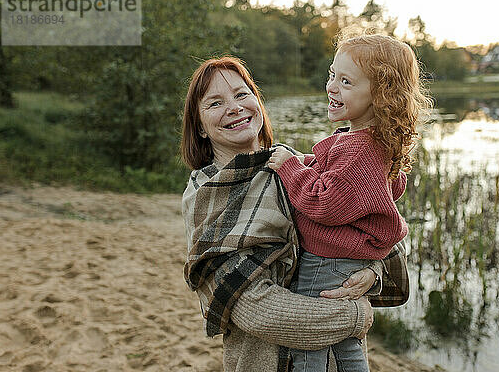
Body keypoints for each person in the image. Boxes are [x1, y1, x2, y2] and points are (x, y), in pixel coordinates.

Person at [180, 56, 410, 372]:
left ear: (257, 103)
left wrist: (372, 270)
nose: (234, 107)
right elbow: (253, 308)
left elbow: (383, 230)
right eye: (215, 103)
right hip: (266, 362)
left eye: (241, 94)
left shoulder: (293, 167)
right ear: (200, 127)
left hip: (335, 359)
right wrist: (354, 315)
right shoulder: (208, 193)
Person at [267, 34, 432, 372]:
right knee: (345, 340)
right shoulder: (376, 142)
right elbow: (384, 189)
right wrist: (312, 164)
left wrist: (288, 166)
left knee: (311, 337)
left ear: (380, 95)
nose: (331, 87)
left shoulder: (357, 147)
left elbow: (325, 202)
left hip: (325, 261)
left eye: (346, 81)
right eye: (332, 75)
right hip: (348, 261)